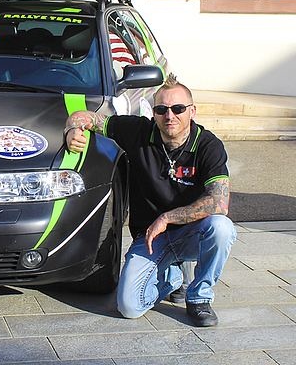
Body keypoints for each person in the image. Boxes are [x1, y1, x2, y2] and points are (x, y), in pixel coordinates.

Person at [64, 73, 235, 327]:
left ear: (192, 111)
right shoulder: (138, 131)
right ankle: (173, 277)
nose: (170, 116)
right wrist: (71, 131)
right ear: (153, 112)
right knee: (129, 307)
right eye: (161, 109)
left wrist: (166, 218)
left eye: (178, 109)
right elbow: (83, 116)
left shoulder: (208, 146)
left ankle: (199, 297)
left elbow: (219, 203)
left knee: (221, 228)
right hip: (149, 239)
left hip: (190, 234)